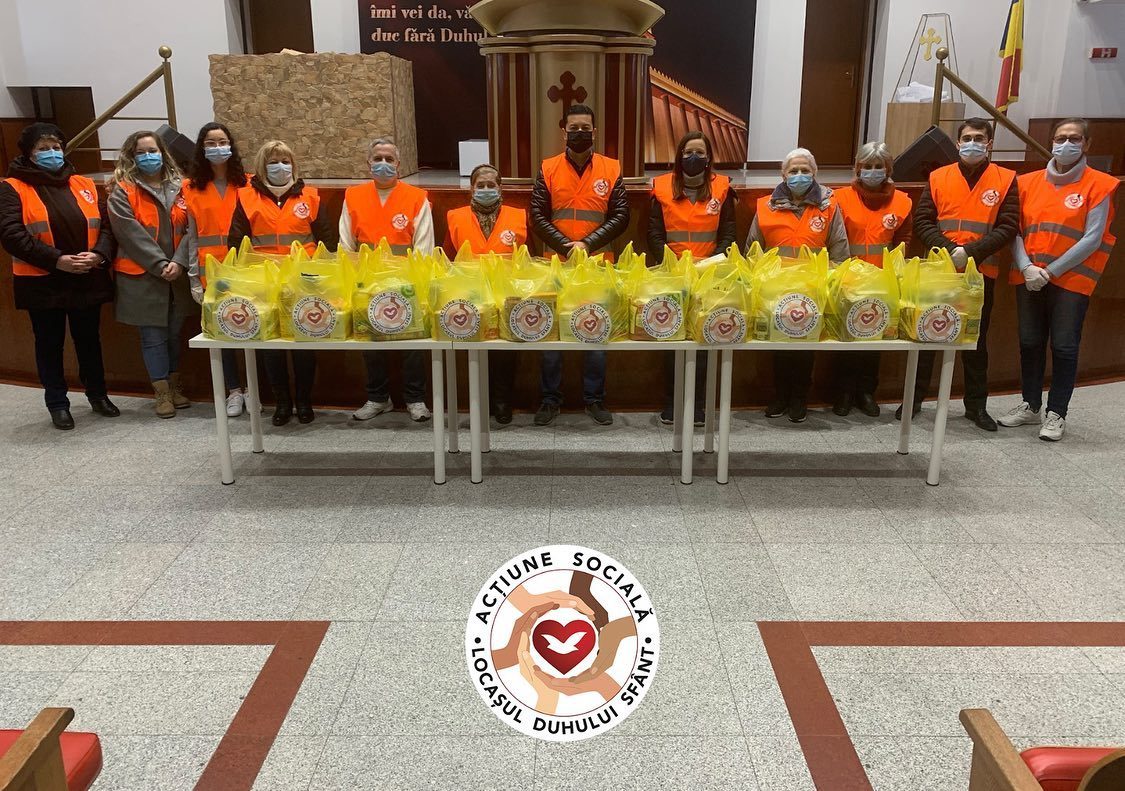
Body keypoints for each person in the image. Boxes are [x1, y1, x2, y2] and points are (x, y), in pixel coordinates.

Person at [998, 118, 1118, 441]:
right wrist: (1026, 267)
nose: (1066, 144)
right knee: (1029, 342)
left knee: (1064, 345)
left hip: (1070, 280)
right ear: (1051, 142)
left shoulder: (1100, 184)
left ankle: (1057, 412)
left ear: (1087, 144)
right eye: (1060, 138)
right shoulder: (1027, 182)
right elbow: (1014, 230)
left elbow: (1093, 238)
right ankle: (1031, 405)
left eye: (1074, 138)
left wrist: (1050, 272)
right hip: (1029, 276)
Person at [900, 117, 1019, 431]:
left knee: (975, 341)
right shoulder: (939, 176)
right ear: (957, 142)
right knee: (926, 334)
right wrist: (950, 249)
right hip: (939, 270)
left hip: (980, 272)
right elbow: (923, 221)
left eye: (979, 138)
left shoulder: (1006, 179)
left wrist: (970, 252)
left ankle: (976, 407)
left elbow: (1008, 226)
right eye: (967, 138)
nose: (972, 143)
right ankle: (913, 401)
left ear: (989, 143)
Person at [0, 122, 118, 430]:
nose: (51, 153)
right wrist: (57, 261)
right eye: (43, 149)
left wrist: (99, 255)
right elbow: (12, 235)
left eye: (56, 147)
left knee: (89, 341)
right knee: (49, 344)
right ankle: (57, 403)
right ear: (28, 153)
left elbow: (106, 226)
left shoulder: (83, 183)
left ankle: (98, 394)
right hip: (43, 281)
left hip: (86, 276)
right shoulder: (12, 187)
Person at [529, 102, 629, 426]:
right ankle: (550, 400)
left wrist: (587, 244)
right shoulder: (548, 168)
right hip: (556, 264)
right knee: (551, 335)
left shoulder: (611, 169)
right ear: (564, 132)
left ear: (594, 132)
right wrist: (565, 247)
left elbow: (621, 216)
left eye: (585, 129)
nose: (580, 133)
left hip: (597, 264)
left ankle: (594, 399)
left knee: (595, 333)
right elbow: (537, 216)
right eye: (574, 129)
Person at [228, 140, 336, 425]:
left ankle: (304, 401)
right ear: (262, 166)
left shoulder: (310, 197)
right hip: (263, 284)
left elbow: (327, 242)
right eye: (273, 161)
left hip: (303, 282)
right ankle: (282, 403)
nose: (280, 166)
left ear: (293, 165)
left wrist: (322, 277)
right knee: (271, 345)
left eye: (285, 161)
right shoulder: (246, 197)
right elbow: (236, 243)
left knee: (304, 342)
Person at [746, 147, 848, 423]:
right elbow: (753, 250)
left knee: (805, 347)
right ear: (783, 175)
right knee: (778, 346)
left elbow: (839, 249)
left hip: (812, 290)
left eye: (805, 170)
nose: (799, 175)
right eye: (793, 171)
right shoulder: (766, 206)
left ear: (814, 173)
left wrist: (832, 283)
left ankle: (799, 399)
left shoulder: (829, 206)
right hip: (775, 291)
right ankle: (780, 396)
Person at [340, 137, 433, 424]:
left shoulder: (416, 197)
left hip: (406, 283)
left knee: (412, 344)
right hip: (367, 284)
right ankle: (378, 398)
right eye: (378, 158)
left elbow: (424, 246)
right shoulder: (353, 196)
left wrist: (413, 282)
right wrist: (355, 281)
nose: (383, 164)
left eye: (389, 159)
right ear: (368, 163)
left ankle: (415, 399)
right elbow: (346, 245)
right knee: (371, 343)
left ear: (399, 164)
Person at [648, 130, 736, 426]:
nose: (693, 157)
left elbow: (728, 233)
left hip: (709, 276)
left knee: (703, 340)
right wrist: (672, 264)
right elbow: (654, 233)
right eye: (688, 153)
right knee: (671, 339)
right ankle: (672, 402)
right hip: (671, 275)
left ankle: (698, 404)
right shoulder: (662, 186)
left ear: (709, 157)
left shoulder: (722, 188)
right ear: (679, 156)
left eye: (699, 152)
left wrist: (711, 264)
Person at [107, 130, 193, 419]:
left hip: (178, 274)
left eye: (153, 151)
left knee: (175, 334)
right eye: (141, 152)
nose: (148, 157)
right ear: (131, 157)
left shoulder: (183, 186)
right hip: (143, 276)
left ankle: (175, 385)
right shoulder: (123, 190)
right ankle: (162, 392)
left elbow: (193, 228)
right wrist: (159, 264)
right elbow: (129, 233)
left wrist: (178, 262)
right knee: (153, 336)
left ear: (163, 153)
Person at [831, 141, 913, 418]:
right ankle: (843, 393)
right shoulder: (839, 198)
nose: (873, 171)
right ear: (858, 168)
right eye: (867, 166)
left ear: (888, 169)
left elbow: (904, 238)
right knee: (846, 338)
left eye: (879, 166)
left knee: (875, 337)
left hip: (882, 280)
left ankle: (866, 393)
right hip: (848, 278)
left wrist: (896, 272)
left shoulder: (902, 201)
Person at [443, 163, 528, 425]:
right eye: (481, 185)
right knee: (475, 352)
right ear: (471, 189)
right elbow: (447, 258)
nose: (486, 189)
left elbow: (528, 257)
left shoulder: (517, 216)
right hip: (471, 296)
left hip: (507, 294)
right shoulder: (456, 217)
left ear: (500, 188)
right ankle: (478, 403)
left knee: (504, 352)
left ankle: (502, 403)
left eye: (491, 185)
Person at [183, 122, 249, 418]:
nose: (217, 147)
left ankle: (252, 389)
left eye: (222, 141)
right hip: (210, 272)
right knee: (222, 334)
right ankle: (233, 390)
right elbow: (192, 237)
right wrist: (194, 279)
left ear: (231, 145)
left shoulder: (248, 184)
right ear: (202, 148)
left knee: (252, 329)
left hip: (244, 270)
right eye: (210, 143)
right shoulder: (191, 188)